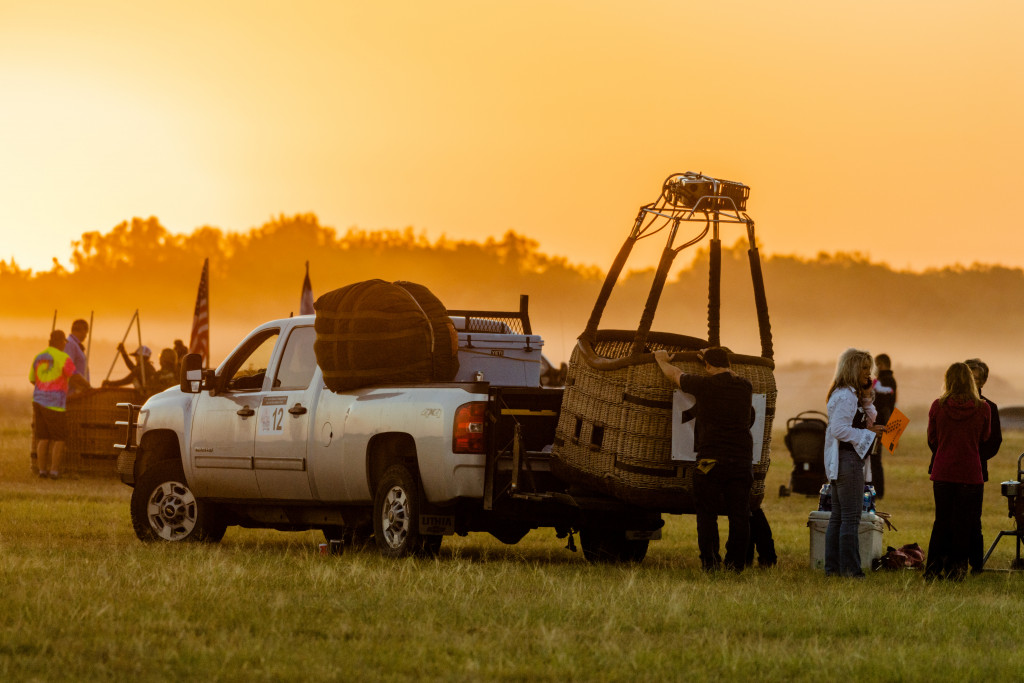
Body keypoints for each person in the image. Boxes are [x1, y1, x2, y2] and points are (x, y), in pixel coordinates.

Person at [654, 346, 754, 572]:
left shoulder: (703, 385)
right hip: (740, 460)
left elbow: (674, 374)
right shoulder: (745, 387)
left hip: (710, 461)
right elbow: (732, 375)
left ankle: (710, 563)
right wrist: (714, 359)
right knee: (739, 515)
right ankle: (736, 565)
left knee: (707, 515)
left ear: (707, 366)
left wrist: (661, 359)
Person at [925, 362, 991, 582]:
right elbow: (985, 437)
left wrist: (945, 449)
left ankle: (933, 570)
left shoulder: (937, 406)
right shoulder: (983, 408)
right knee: (964, 524)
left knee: (941, 522)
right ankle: (957, 571)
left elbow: (932, 439)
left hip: (943, 472)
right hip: (971, 473)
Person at [824, 348, 885, 578]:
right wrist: (867, 435)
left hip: (847, 459)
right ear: (851, 368)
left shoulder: (852, 394)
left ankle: (834, 569)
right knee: (850, 518)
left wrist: (868, 399)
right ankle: (850, 570)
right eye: (864, 368)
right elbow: (838, 429)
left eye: (869, 369)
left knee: (839, 516)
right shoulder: (845, 396)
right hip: (847, 460)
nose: (868, 373)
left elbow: (867, 420)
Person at [964, 358, 1001, 574]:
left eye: (976, 378)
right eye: (968, 376)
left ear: (983, 381)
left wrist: (975, 457)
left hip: (976, 470)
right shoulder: (944, 403)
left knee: (973, 519)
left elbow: (994, 442)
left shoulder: (990, 408)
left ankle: (976, 564)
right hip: (950, 468)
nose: (972, 381)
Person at [29, 329, 81, 479]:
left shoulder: (38, 357)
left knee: (43, 437)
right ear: (60, 342)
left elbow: (32, 379)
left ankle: (42, 471)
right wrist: (88, 387)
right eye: (64, 342)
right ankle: (54, 471)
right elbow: (75, 377)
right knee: (59, 438)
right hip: (55, 404)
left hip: (38, 401)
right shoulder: (63, 357)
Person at [870, 353, 897, 499]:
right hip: (883, 424)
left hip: (879, 424)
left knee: (874, 459)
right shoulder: (889, 380)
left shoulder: (885, 380)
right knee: (875, 458)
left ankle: (878, 492)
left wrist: (885, 426)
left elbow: (884, 406)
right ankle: (877, 491)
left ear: (881, 364)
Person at [65, 318, 91, 391]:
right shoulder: (70, 344)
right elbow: (68, 368)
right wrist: (79, 386)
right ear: (82, 330)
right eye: (86, 332)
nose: (86, 335)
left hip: (81, 391)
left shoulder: (76, 345)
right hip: (74, 392)